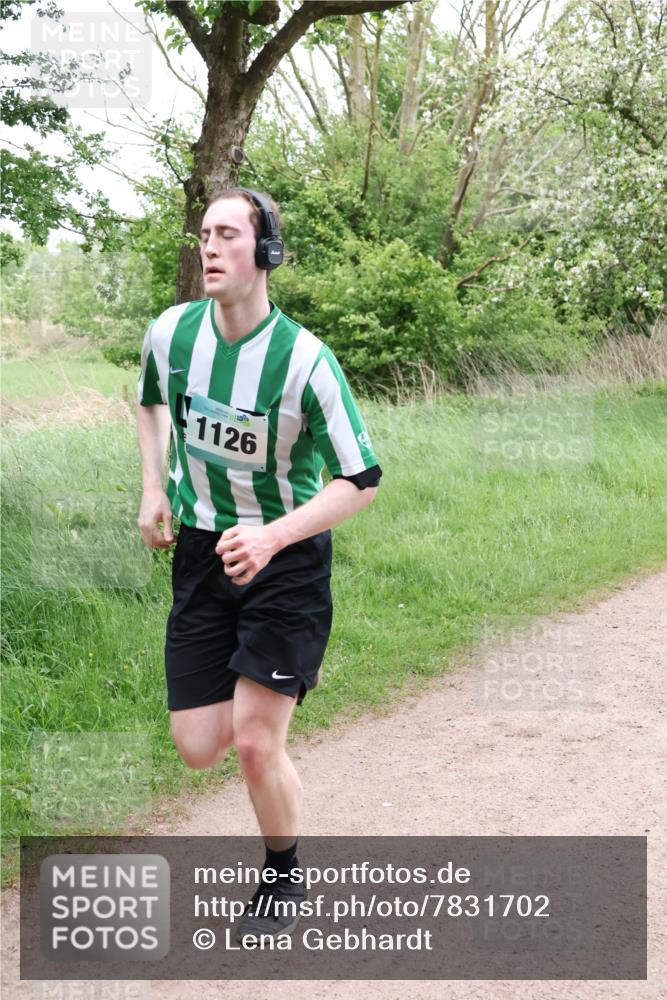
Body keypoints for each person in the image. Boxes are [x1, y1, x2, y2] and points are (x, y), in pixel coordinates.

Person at [135, 187, 382, 942]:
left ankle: (283, 872)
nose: (209, 247)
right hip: (203, 554)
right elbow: (148, 401)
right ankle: (265, 735)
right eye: (204, 234)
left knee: (250, 742)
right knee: (198, 747)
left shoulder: (304, 359)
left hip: (286, 560)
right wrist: (153, 485)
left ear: (266, 252)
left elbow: (361, 478)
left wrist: (274, 537)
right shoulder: (171, 334)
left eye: (229, 235)